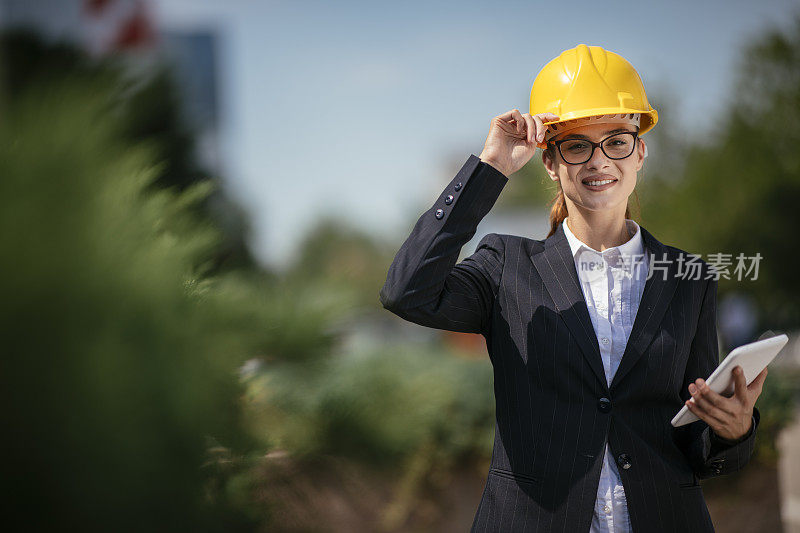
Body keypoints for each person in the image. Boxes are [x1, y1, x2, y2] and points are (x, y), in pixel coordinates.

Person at [379, 44, 768, 532]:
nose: (598, 160)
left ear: (640, 150)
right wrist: (490, 168)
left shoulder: (688, 277)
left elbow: (693, 439)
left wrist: (733, 432)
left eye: (616, 141)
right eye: (577, 144)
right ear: (550, 161)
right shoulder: (506, 267)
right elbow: (406, 290)